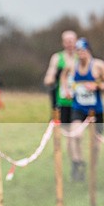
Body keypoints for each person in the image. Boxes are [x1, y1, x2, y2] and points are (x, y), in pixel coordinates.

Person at [59, 37, 104, 181]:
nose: (80, 54)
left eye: (83, 51)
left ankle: (93, 169)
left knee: (96, 144)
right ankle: (78, 163)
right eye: (78, 51)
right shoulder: (72, 64)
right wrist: (66, 90)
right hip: (78, 107)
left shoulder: (98, 65)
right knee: (75, 135)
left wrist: (97, 86)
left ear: (89, 51)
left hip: (95, 110)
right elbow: (63, 76)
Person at [43, 30, 78, 168]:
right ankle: (71, 162)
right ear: (63, 43)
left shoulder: (80, 57)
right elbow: (48, 79)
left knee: (77, 134)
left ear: (76, 41)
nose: (69, 44)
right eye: (67, 41)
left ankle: (78, 160)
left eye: (72, 40)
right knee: (65, 134)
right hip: (62, 102)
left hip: (78, 102)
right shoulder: (57, 58)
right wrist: (55, 76)